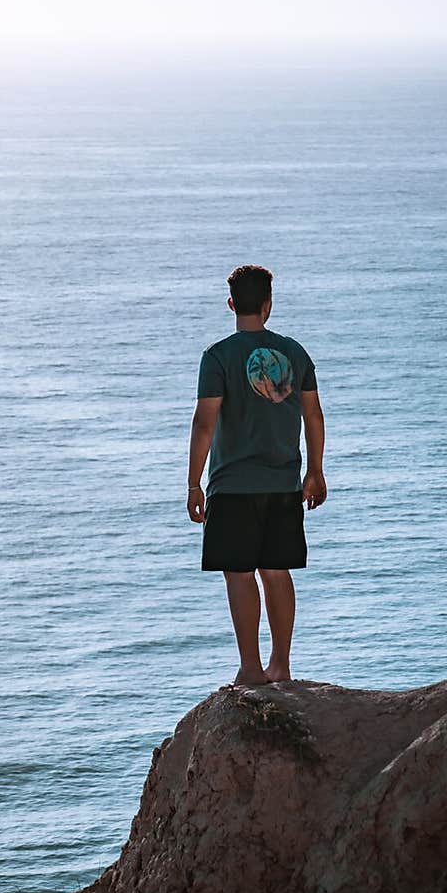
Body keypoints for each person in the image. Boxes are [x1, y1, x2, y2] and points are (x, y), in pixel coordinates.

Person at [187, 265, 327, 685]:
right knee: (276, 571)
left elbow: (204, 423)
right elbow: (313, 414)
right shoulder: (295, 353)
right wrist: (315, 471)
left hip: (232, 486)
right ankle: (281, 665)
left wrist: (194, 482)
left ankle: (250, 668)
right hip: (284, 481)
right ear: (268, 304)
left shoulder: (217, 357)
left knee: (240, 574)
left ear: (232, 304)